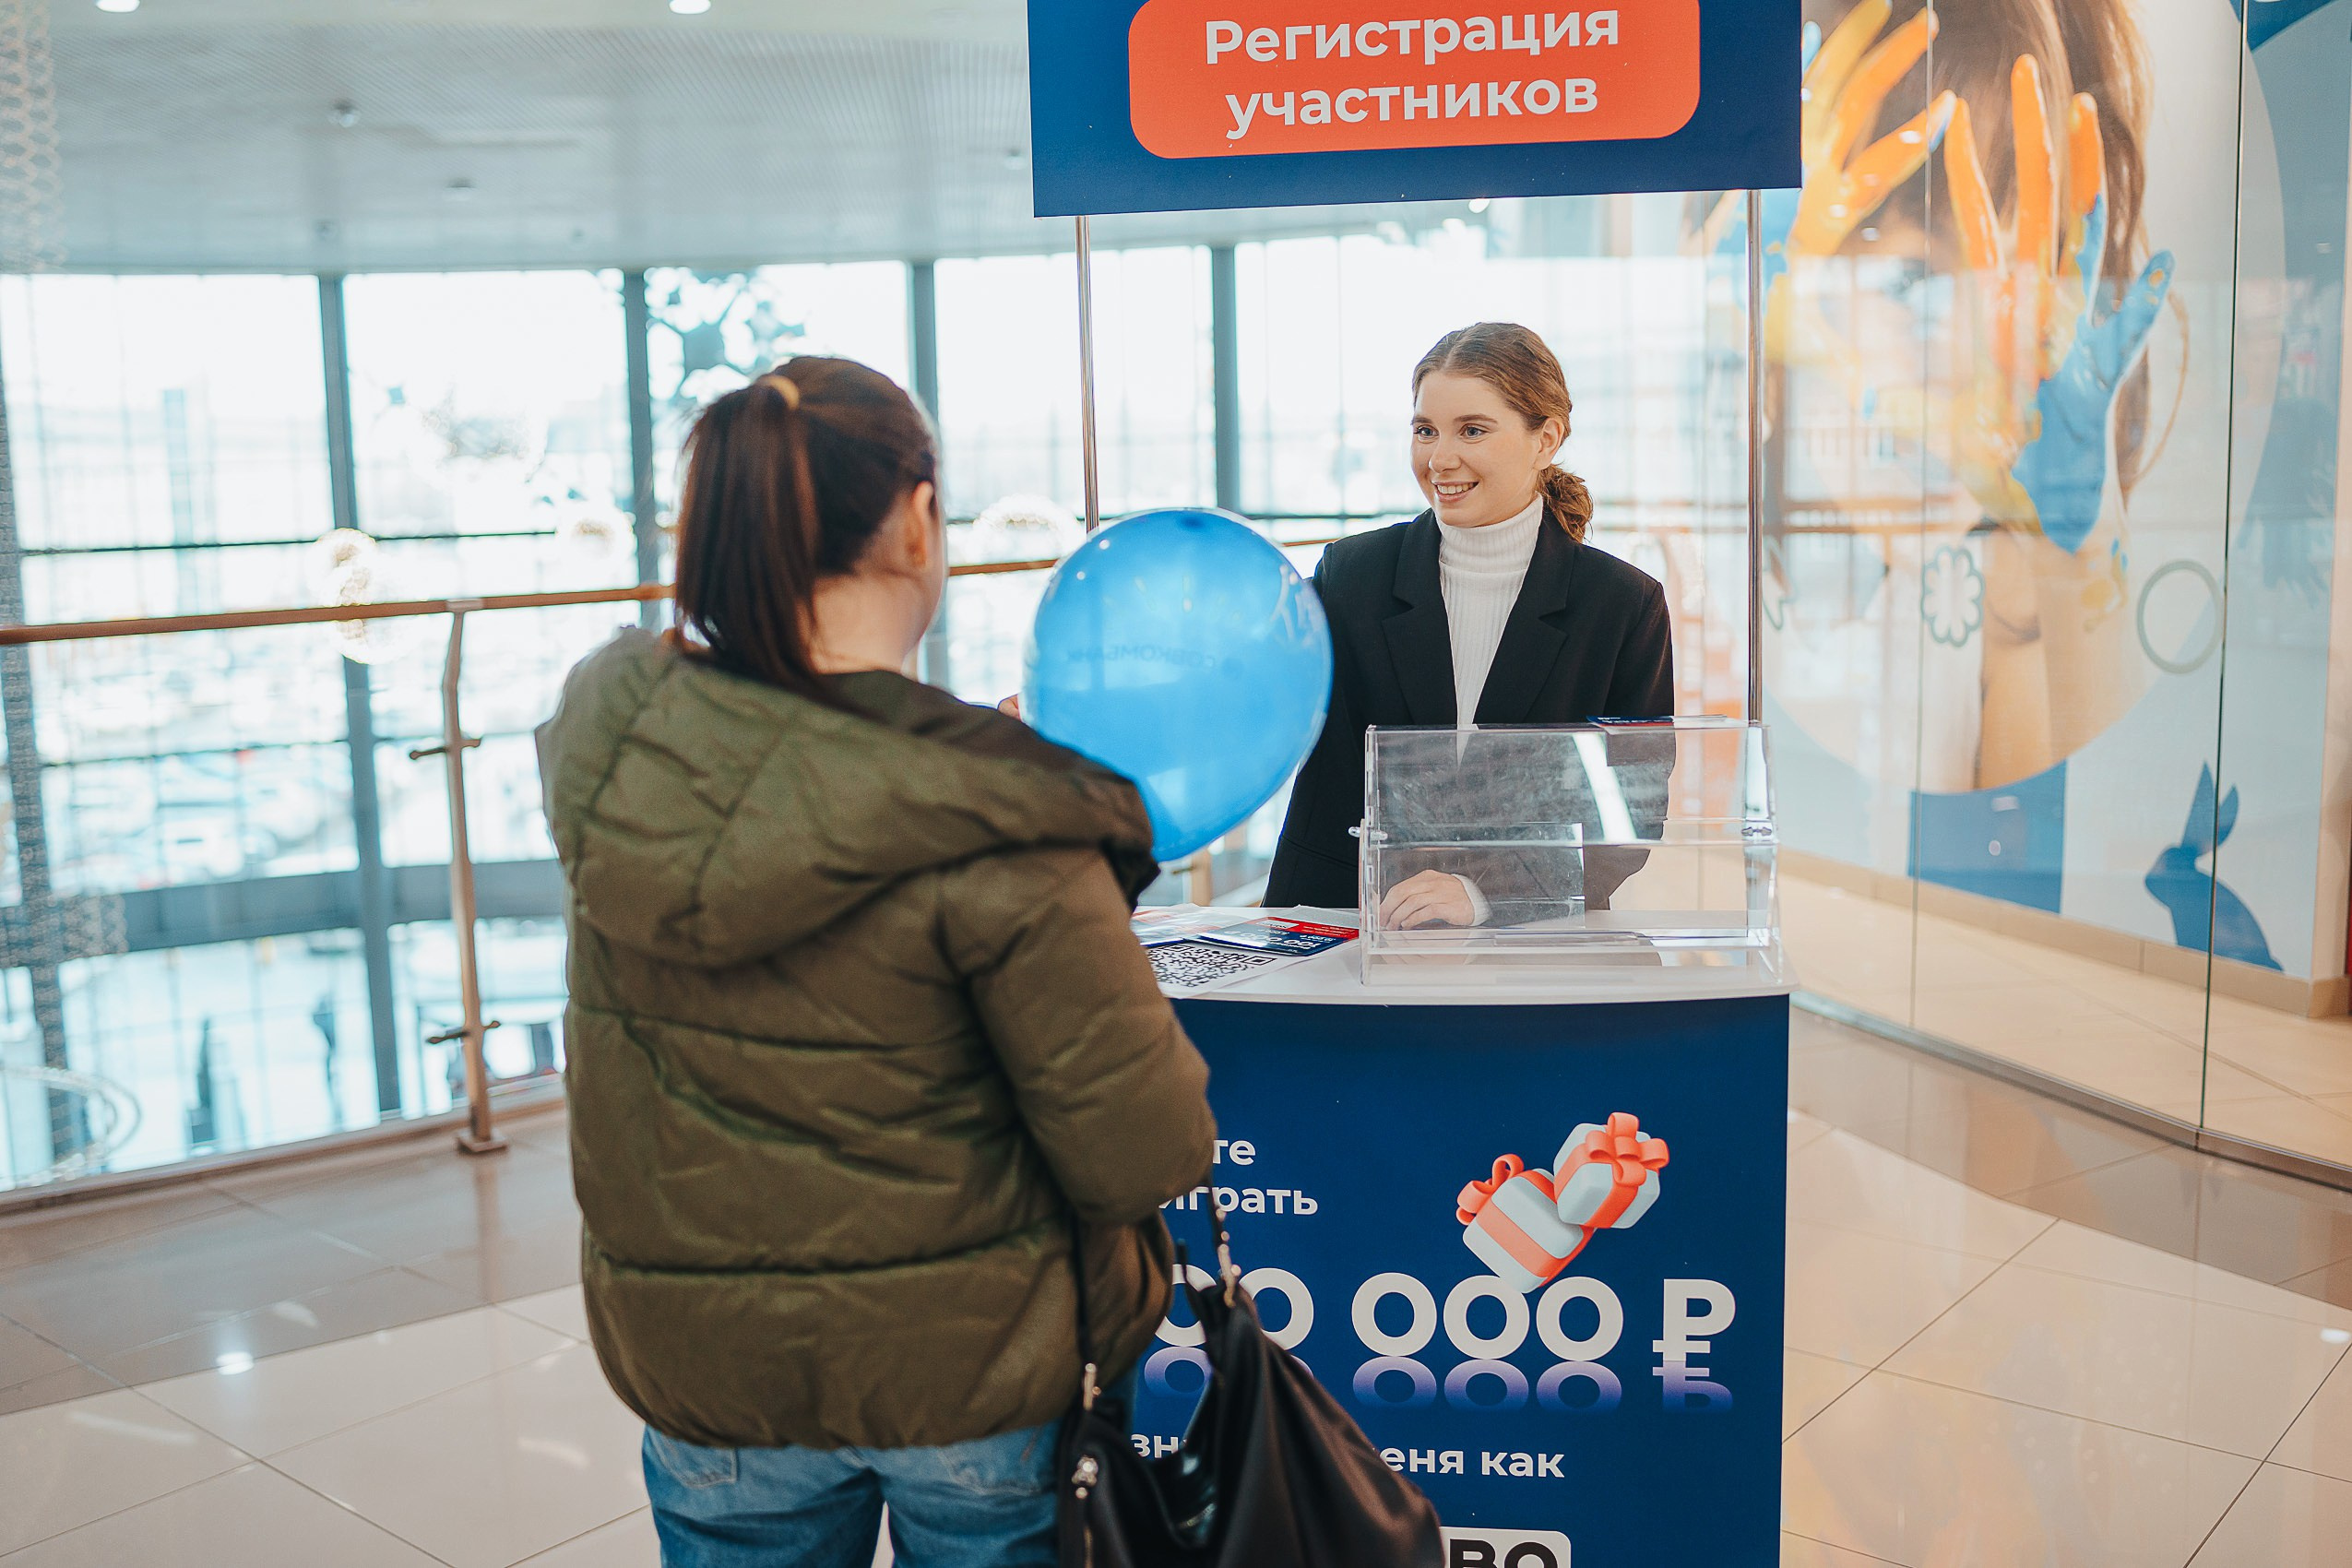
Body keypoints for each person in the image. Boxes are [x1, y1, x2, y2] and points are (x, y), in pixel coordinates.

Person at [536, 357, 1216, 1568]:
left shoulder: (624, 749)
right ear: (914, 520)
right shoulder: (999, 815)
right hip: (969, 1375)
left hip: (707, 1379)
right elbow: (1142, 1147)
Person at [1263, 323, 1675, 923]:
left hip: (1527, 933)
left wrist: (1486, 895)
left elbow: (1632, 811)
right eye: (1425, 430)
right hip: (1345, 918)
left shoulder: (1622, 604)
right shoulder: (1350, 574)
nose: (1439, 459)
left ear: (1546, 438)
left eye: (1472, 431)